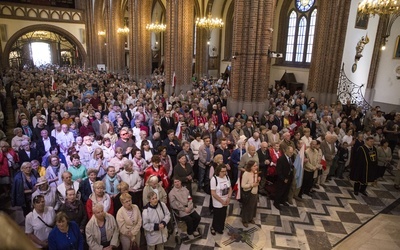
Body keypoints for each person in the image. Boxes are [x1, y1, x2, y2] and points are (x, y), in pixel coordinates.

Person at [210, 164, 232, 235]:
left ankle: (220, 228)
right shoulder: (214, 179)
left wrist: (228, 198)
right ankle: (214, 227)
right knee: (217, 215)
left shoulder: (227, 177)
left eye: (225, 171)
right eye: (222, 171)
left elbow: (230, 189)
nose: (224, 173)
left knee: (223, 215)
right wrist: (221, 201)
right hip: (218, 200)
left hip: (225, 200)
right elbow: (213, 193)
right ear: (218, 171)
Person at [273, 146, 294, 211]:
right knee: (280, 191)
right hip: (282, 179)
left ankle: (283, 201)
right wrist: (283, 178)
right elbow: (278, 171)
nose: (291, 153)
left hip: (289, 177)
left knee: (286, 190)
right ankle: (276, 203)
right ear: (286, 151)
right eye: (290, 152)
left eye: (292, 152)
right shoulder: (281, 159)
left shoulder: (291, 158)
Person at [240, 160, 261, 227]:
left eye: (256, 165)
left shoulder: (255, 172)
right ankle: (245, 220)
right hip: (248, 192)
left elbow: (255, 182)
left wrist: (258, 180)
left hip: (255, 191)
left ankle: (250, 218)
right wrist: (252, 185)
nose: (256, 167)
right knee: (247, 207)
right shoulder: (246, 174)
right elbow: (243, 185)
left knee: (253, 206)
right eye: (254, 166)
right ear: (250, 167)